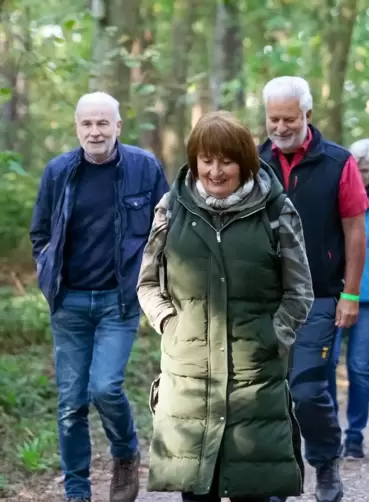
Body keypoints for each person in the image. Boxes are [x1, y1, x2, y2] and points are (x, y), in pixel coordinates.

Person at [137, 111, 313, 502]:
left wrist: (274, 336)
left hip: (253, 376)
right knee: (197, 491)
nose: (215, 171)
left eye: (226, 160)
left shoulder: (275, 211)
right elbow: (147, 283)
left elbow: (300, 291)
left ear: (245, 162)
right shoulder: (171, 209)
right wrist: (169, 323)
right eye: (206, 160)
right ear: (195, 160)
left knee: (253, 490)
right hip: (188, 374)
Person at [28, 92, 169, 502]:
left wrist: (154, 283)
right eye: (87, 124)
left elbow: (167, 228)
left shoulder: (144, 168)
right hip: (69, 302)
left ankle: (125, 453)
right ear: (77, 128)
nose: (95, 131)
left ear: (118, 127)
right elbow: (41, 234)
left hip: (119, 301)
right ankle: (77, 491)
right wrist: (46, 272)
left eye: (103, 123)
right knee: (72, 402)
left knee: (105, 387)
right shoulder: (59, 173)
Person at [258, 76, 369, 502]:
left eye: (289, 118)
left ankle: (325, 460)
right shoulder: (252, 161)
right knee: (271, 393)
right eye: (273, 119)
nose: (280, 127)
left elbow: (355, 230)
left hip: (321, 295)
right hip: (266, 298)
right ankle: (280, 477)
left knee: (306, 391)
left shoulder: (338, 162)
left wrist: (352, 293)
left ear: (307, 115)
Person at [327, 138, 369, 459]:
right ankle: (330, 432)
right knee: (327, 363)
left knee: (359, 366)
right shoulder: (337, 194)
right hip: (337, 291)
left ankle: (355, 435)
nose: (360, 175)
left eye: (365, 170)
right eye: (356, 169)